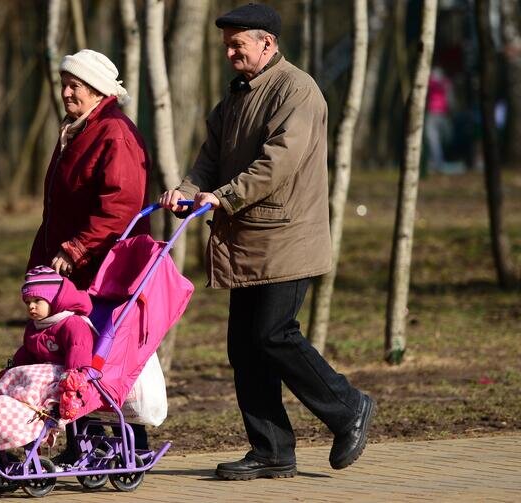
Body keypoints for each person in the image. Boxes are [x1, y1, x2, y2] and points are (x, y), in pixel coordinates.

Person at [159, 3, 375, 481]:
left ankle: (349, 407)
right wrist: (189, 190)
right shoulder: (237, 96)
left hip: (287, 236)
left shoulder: (297, 92)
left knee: (273, 335)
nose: (229, 53)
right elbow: (209, 157)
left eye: (238, 44)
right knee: (245, 347)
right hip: (248, 240)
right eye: (226, 45)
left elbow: (276, 164)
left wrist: (222, 198)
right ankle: (272, 449)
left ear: (268, 44)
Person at [27, 49, 150, 455]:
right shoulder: (77, 128)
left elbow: (121, 204)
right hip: (66, 261)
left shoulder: (114, 132)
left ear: (97, 90)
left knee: (97, 352)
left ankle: (125, 439)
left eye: (74, 85)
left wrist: (78, 247)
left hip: (101, 267)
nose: (65, 92)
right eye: (64, 84)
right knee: (68, 349)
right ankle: (79, 437)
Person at [0, 267, 95, 378]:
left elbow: (78, 351)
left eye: (37, 300)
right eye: (27, 302)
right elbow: (28, 353)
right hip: (41, 376)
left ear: (55, 300)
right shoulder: (34, 326)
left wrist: (73, 380)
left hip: (66, 377)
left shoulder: (73, 324)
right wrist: (12, 371)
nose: (31, 306)